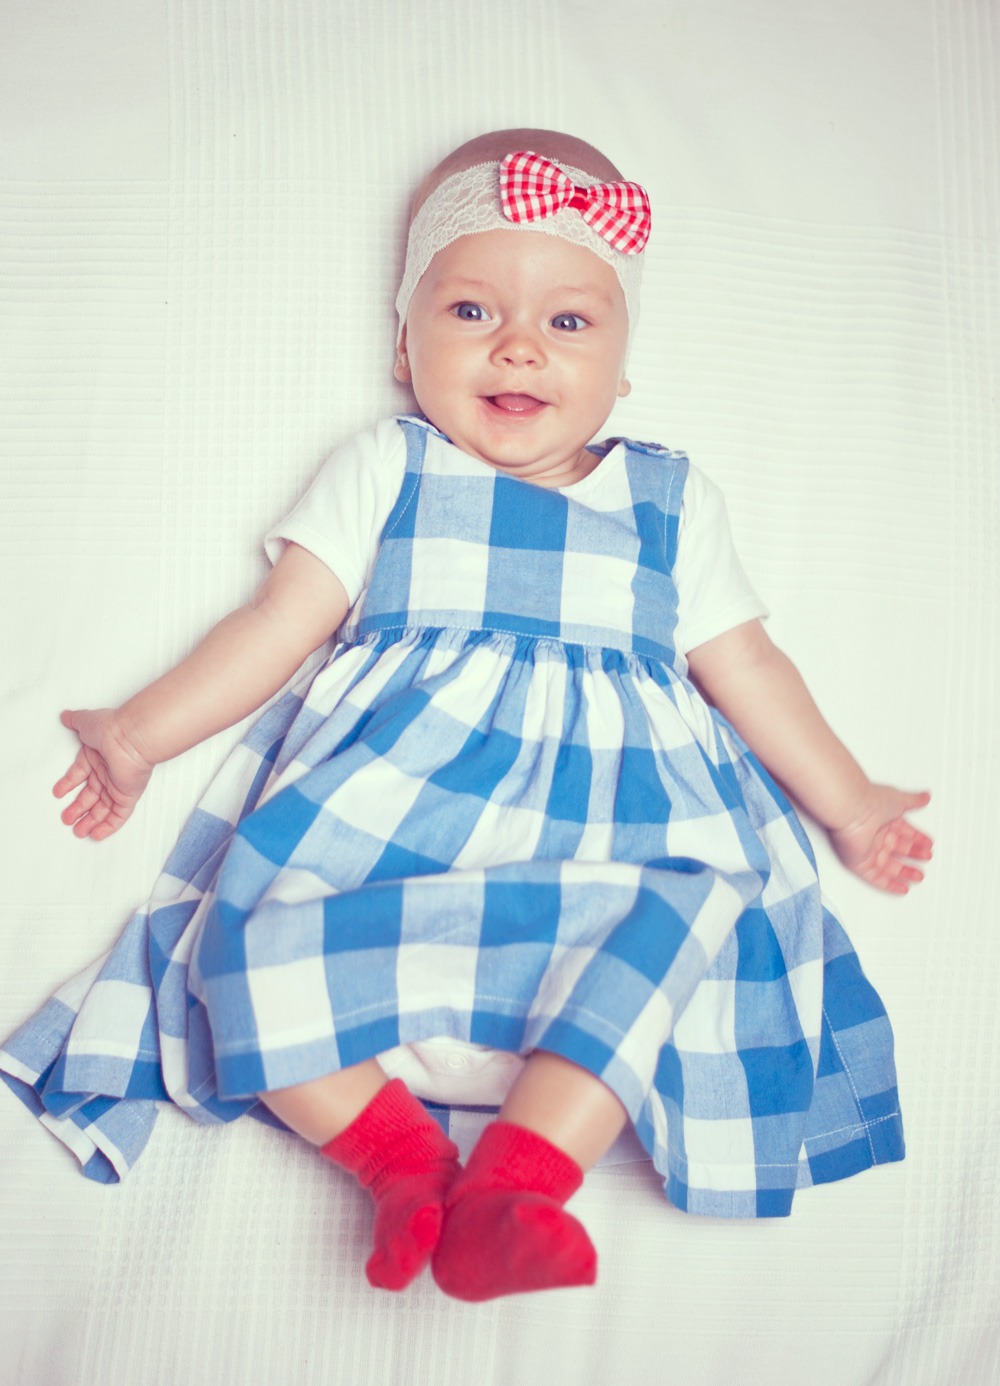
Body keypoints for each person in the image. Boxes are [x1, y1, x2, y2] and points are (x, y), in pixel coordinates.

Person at [0, 129, 932, 1303]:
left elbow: (745, 663)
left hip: (610, 865)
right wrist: (139, 735)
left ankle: (518, 1188)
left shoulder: (670, 502)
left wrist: (849, 804)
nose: (519, 346)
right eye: (470, 310)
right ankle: (405, 1167)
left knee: (687, 921)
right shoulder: (389, 469)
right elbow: (277, 626)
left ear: (624, 367)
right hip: (392, 847)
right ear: (404, 345)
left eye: (570, 321)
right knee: (232, 951)